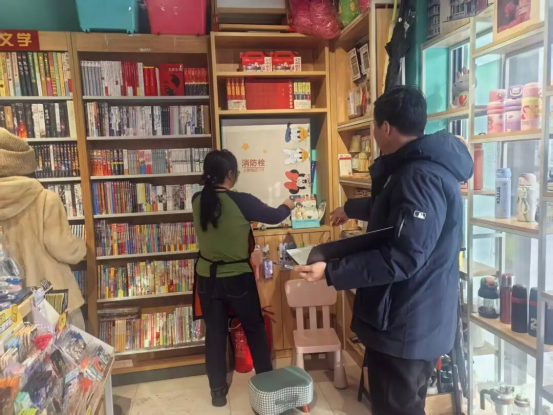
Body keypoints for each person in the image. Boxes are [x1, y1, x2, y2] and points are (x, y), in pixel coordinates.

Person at [295, 86, 473, 415]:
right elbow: (393, 214)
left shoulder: (419, 176)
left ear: (386, 128)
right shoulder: (417, 168)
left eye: (374, 127)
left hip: (407, 325)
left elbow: (402, 256)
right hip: (411, 321)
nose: (374, 135)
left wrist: (332, 271)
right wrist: (349, 210)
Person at [192, 149, 294, 407]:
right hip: (237, 277)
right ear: (230, 174)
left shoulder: (197, 199)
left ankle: (217, 393)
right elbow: (275, 216)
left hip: (207, 278)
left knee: (215, 335)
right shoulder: (240, 201)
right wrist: (289, 204)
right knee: (254, 330)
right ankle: (266, 387)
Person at [0, 128, 87, 328]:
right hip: (51, 295)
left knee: (20, 347)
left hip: (9, 304)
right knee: (67, 344)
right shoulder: (45, 199)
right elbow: (64, 248)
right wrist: (82, 247)